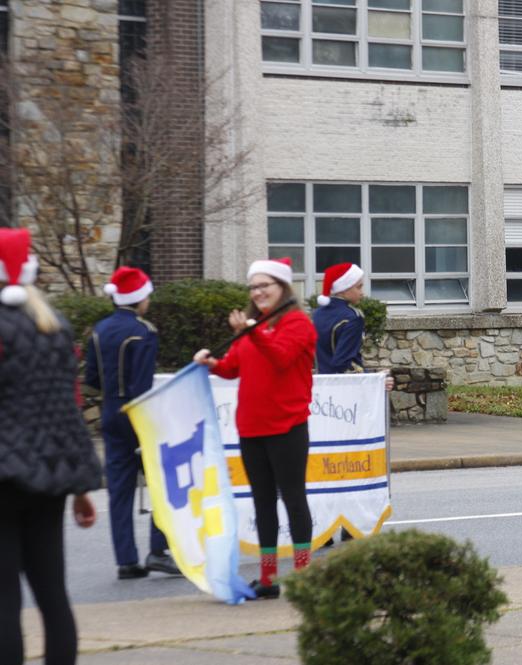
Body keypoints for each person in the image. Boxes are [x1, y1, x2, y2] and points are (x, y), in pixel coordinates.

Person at [0, 228, 103, 665]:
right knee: (52, 592)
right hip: (49, 477)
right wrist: (80, 486)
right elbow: (68, 409)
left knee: (4, 599)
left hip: (4, 476)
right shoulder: (54, 324)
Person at [194, 257, 317, 599]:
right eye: (253, 287)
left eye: (265, 285)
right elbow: (233, 367)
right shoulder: (252, 328)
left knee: (293, 498)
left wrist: (250, 332)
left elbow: (280, 357)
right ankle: (267, 577)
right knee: (262, 502)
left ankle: (304, 573)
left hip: (287, 425)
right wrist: (211, 363)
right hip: (251, 428)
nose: (258, 292)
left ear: (283, 287)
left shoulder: (298, 324)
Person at [84, 267, 180, 579]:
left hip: (111, 412)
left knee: (120, 489)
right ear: (139, 298)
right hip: (140, 415)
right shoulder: (144, 331)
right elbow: (142, 385)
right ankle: (158, 549)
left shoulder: (99, 330)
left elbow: (92, 378)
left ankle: (126, 560)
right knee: (161, 481)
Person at [312, 263, 393, 547]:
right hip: (349, 401)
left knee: (326, 465)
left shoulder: (317, 315)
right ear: (344, 289)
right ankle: (351, 525)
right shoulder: (352, 317)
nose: (362, 291)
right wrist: (373, 380)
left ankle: (322, 529)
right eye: (358, 286)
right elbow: (344, 364)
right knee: (353, 464)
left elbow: (323, 362)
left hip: (322, 399)